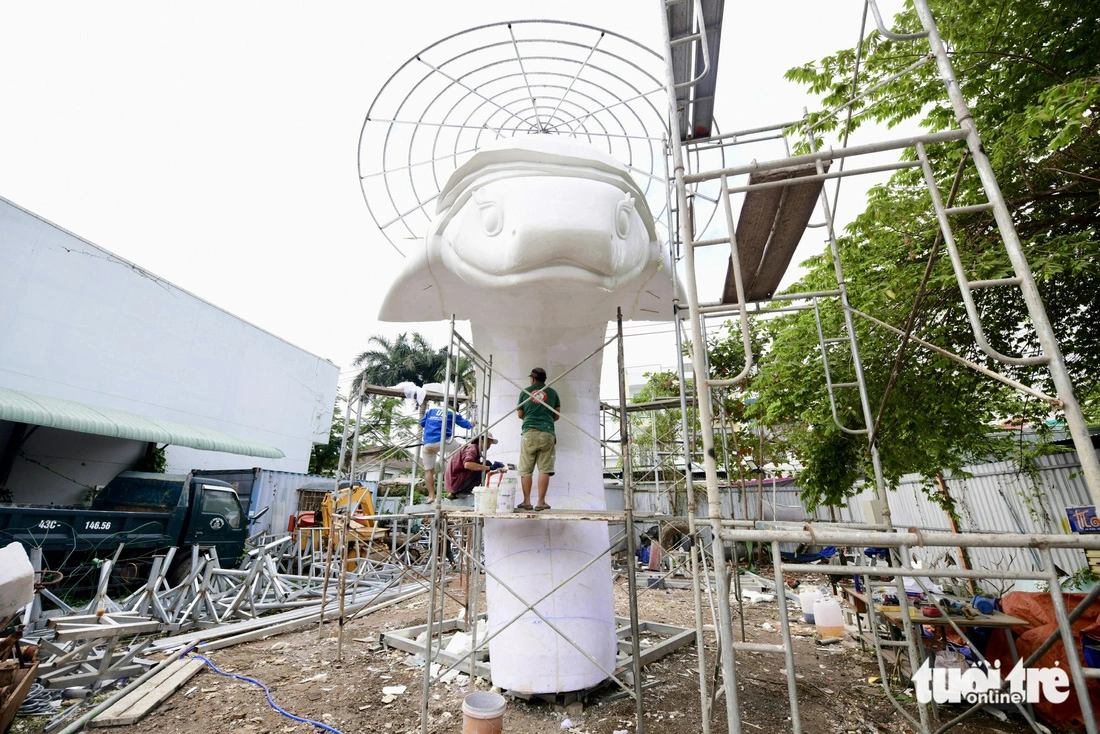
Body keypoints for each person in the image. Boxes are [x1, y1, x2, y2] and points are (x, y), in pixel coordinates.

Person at [515, 367, 560, 511]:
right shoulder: (553, 393)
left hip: (529, 432)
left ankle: (527, 501)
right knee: (544, 469)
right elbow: (556, 415)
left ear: (532, 379)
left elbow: (520, 414)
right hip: (547, 432)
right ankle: (541, 502)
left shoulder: (525, 392)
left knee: (526, 469)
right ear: (544, 379)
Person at [421, 399, 474, 502]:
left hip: (428, 443)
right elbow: (467, 425)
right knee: (466, 452)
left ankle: (431, 496)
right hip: (444, 442)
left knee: (429, 471)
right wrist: (472, 424)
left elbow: (422, 423)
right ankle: (454, 489)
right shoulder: (454, 412)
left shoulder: (431, 410)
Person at [444, 432, 503, 500]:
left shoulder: (470, 448)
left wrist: (496, 471)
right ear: (481, 440)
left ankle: (454, 493)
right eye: (488, 443)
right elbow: (468, 465)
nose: (489, 446)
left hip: (455, 481)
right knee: (487, 464)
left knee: (482, 466)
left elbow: (477, 470)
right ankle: (463, 492)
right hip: (456, 481)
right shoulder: (473, 448)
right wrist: (489, 467)